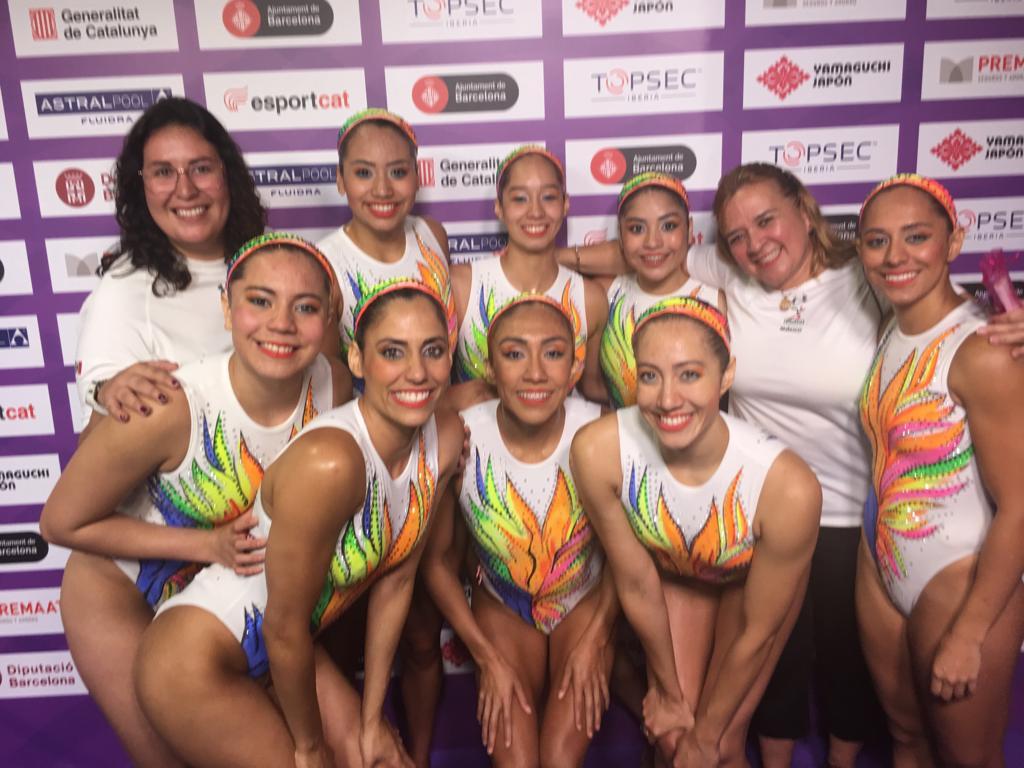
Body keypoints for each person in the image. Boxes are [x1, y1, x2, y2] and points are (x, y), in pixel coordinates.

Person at [41, 234, 350, 767]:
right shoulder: (168, 405)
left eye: (304, 307)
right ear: (226, 309)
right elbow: (60, 523)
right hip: (121, 591)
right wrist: (206, 545)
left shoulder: (333, 385)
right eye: (260, 301)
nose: (281, 323)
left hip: (235, 591)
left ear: (328, 316)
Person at [134, 280, 463, 768]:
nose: (417, 371)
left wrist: (371, 722)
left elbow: (397, 580)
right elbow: (284, 627)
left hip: (285, 653)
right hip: (196, 661)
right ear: (358, 360)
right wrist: (310, 749)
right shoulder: (332, 461)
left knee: (382, 759)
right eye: (393, 352)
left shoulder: (445, 436)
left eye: (432, 350)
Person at [571, 297, 821, 767]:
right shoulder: (598, 451)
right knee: (672, 739)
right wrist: (667, 696)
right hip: (674, 575)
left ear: (726, 376)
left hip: (747, 586)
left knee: (719, 747)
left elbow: (757, 632)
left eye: (689, 374)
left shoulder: (787, 487)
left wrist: (706, 736)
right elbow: (636, 581)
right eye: (650, 376)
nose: (668, 399)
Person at [699, 162, 885, 767]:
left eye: (766, 221)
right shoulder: (731, 276)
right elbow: (644, 251)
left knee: (846, 653)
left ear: (804, 212)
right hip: (763, 513)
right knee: (771, 654)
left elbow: (940, 312)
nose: (755, 244)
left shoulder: (866, 276)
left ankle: (841, 761)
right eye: (737, 236)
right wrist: (553, 254)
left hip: (849, 512)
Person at [855, 174, 1024, 767]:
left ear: (954, 242)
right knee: (906, 738)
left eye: (916, 236)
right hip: (883, 563)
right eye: (876, 241)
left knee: (967, 759)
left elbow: (1020, 505)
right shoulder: (889, 325)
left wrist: (971, 631)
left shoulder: (984, 351)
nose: (895, 256)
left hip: (958, 576)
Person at [316, 107, 457, 766]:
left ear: (416, 176)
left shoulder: (432, 235)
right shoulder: (324, 262)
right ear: (341, 179)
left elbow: (444, 356)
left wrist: (454, 410)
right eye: (364, 172)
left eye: (397, 171)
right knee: (344, 636)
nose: (382, 188)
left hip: (430, 462)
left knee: (423, 632)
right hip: (364, 471)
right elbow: (327, 379)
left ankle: (418, 754)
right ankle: (362, 742)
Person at [424, 293, 615, 766]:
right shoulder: (462, 436)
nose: (535, 373)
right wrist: (485, 656)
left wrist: (598, 637)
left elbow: (629, 562)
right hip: (503, 608)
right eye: (514, 354)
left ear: (575, 366)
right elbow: (438, 563)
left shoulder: (602, 432)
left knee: (560, 761)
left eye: (553, 353)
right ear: (490, 368)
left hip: (583, 605)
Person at [76, 96, 266, 426]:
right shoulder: (122, 292)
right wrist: (106, 391)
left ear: (227, 174)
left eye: (201, 168)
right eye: (164, 172)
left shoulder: (273, 258)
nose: (186, 190)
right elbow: (97, 433)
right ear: (141, 186)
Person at [452, 145, 608, 402]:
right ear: (499, 208)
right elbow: (434, 388)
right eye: (520, 199)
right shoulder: (462, 285)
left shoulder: (590, 299)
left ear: (566, 204)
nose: (536, 211)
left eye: (548, 197)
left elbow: (593, 390)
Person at [600, 172, 721, 409]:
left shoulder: (716, 300)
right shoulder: (606, 294)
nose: (653, 242)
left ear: (689, 229)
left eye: (668, 226)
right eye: (637, 228)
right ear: (621, 236)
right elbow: (594, 388)